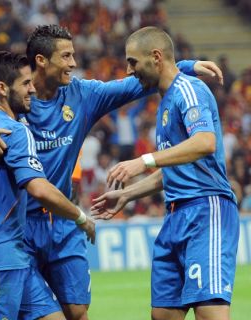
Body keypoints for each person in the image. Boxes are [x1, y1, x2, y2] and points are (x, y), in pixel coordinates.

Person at [0, 24, 224, 319]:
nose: (73, 64)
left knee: (77, 312)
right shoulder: (11, 97)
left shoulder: (83, 95)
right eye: (65, 56)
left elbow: (143, 78)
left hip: (63, 221)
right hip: (20, 226)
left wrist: (186, 66)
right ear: (41, 60)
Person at [91, 26, 239, 320]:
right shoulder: (166, 101)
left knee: (210, 313)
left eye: (133, 62)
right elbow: (177, 165)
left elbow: (205, 142)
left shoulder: (190, 90)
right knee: (162, 315)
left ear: (156, 57)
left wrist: (144, 160)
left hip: (205, 210)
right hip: (174, 217)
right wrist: (128, 194)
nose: (129, 70)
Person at [0, 51, 95, 320]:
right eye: (24, 83)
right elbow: (38, 189)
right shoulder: (16, 130)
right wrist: (80, 217)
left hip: (15, 254)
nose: (32, 88)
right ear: (2, 89)